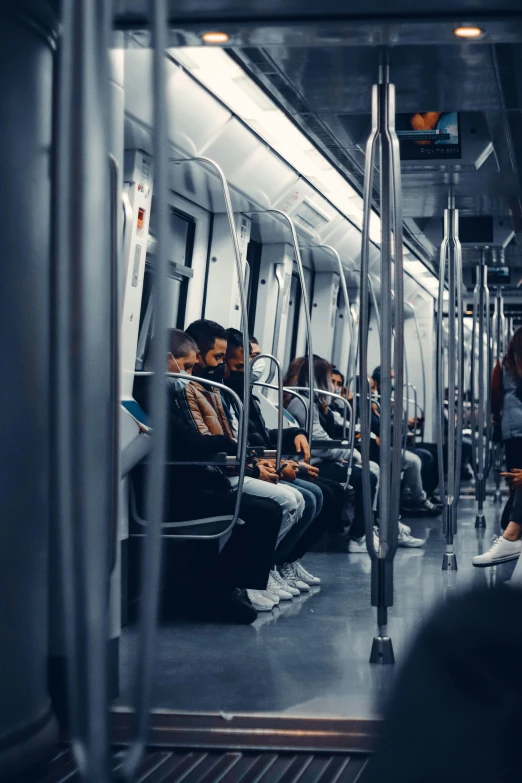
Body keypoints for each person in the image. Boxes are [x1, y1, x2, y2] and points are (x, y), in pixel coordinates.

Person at [133, 329, 284, 624]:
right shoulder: (151, 392)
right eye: (187, 366)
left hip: (187, 485)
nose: (191, 373)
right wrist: (227, 444)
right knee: (266, 512)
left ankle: (221, 586)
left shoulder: (167, 393)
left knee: (268, 510)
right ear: (167, 360)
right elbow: (185, 440)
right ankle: (214, 589)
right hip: (173, 494)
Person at [184, 320, 313, 604]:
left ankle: (266, 570)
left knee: (307, 497)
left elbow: (250, 438)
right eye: (220, 358)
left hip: (232, 467)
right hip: (212, 474)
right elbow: (215, 441)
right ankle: (250, 577)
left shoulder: (227, 394)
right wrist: (255, 466)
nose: (250, 370)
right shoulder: (199, 391)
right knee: (286, 502)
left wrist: (262, 460)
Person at [284, 354, 382, 553]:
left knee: (367, 471)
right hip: (311, 462)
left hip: (319, 459)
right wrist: (349, 454)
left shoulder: (314, 403)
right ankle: (358, 536)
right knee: (367, 476)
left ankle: (366, 527)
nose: (332, 384)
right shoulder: (302, 403)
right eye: (329, 378)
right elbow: (319, 444)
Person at [473, 328, 522, 566]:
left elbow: (494, 394)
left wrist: (495, 418)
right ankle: (511, 529)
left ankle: (509, 528)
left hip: (512, 426)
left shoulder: (503, 366)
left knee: (515, 478)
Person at [371, 366, 441, 518]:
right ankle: (416, 499)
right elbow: (381, 427)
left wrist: (406, 423)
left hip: (396, 443)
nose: (392, 384)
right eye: (389, 379)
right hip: (381, 447)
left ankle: (425, 494)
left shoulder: (389, 402)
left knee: (434, 451)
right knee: (419, 458)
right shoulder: (374, 403)